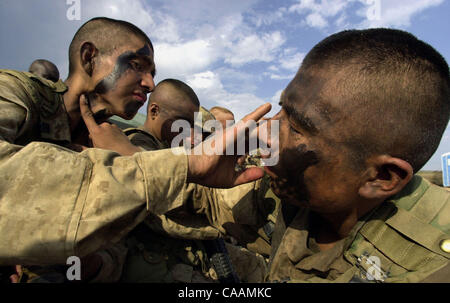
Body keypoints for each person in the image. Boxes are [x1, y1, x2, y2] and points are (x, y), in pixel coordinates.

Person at [0, 16, 270, 281]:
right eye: (137, 65)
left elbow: (118, 245)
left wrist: (93, 264)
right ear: (89, 58)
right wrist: (145, 162)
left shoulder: (106, 136)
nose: (150, 83)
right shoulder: (16, 92)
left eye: (152, 73)